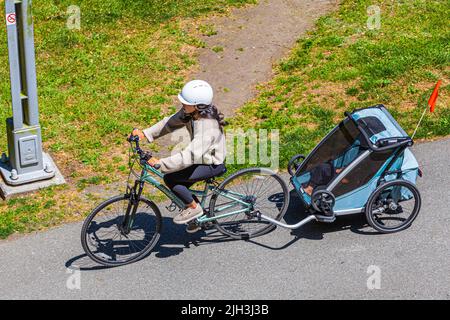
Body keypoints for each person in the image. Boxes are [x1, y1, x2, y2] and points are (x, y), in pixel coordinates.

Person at [132, 80, 226, 229]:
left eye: (185, 102)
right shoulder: (191, 113)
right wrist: (145, 133)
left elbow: (189, 156)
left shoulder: (208, 126)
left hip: (211, 163)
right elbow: (169, 123)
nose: (182, 104)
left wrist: (160, 164)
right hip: (200, 157)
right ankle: (197, 213)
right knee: (178, 185)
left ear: (198, 105)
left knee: (172, 179)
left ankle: (194, 209)